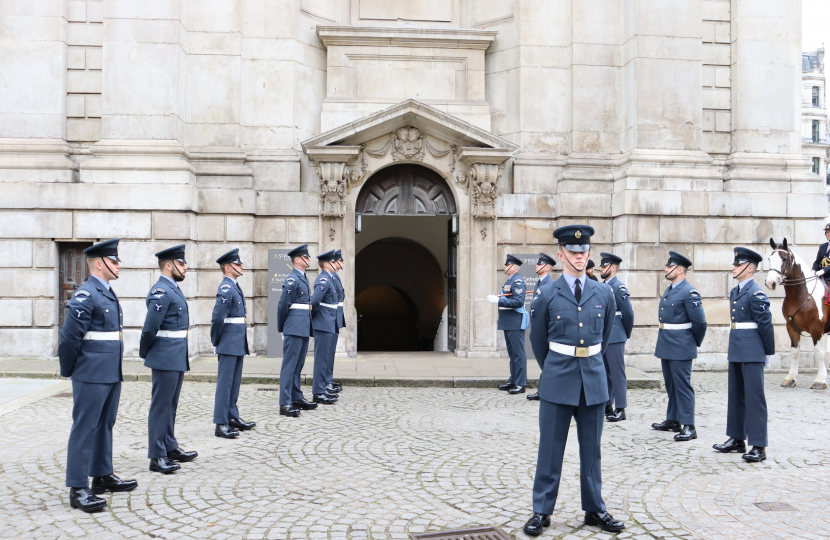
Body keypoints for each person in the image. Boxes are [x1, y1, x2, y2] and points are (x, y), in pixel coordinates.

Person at [524, 225, 624, 535]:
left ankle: (594, 509)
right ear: (561, 254)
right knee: (550, 450)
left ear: (589, 254)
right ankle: (541, 511)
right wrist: (554, 367)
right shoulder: (547, 294)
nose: (579, 257)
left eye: (583, 252)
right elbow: (539, 342)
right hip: (557, 378)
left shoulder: (603, 292)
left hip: (593, 380)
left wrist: (587, 359)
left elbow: (604, 338)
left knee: (591, 451)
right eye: (572, 252)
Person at [59, 239, 137, 513]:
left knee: (105, 423)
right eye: (114, 261)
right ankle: (78, 488)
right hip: (90, 372)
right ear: (100, 263)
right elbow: (69, 339)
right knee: (85, 427)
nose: (118, 265)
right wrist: (71, 371)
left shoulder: (107, 292)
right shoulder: (86, 293)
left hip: (110, 370)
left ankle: (102, 475)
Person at [139, 244, 197, 474]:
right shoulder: (161, 290)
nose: (185, 267)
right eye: (181, 263)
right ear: (168, 265)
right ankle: (156, 455)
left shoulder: (172, 288)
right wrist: (147, 353)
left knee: (170, 405)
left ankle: (170, 446)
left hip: (175, 352)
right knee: (160, 406)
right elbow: (149, 328)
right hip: (164, 354)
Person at [713, 247, 774, 463]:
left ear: (749, 268)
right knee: (735, 395)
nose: (734, 267)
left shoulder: (756, 293)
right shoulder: (736, 291)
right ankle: (737, 438)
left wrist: (768, 353)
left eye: (738, 265)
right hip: (737, 349)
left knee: (754, 398)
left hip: (752, 351)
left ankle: (758, 445)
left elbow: (765, 325)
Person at [651, 251, 707, 442]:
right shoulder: (671, 289)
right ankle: (673, 419)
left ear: (680, 270)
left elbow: (700, 323)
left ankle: (689, 425)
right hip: (667, 342)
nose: (666, 270)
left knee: (682, 386)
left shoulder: (689, 292)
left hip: (681, 345)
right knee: (671, 385)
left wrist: (692, 343)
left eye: (669, 267)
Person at [210, 248, 255, 438]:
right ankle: (221, 423)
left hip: (236, 339)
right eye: (237, 264)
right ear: (228, 267)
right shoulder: (227, 287)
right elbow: (217, 317)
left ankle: (232, 416)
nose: (241, 266)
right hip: (228, 340)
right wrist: (216, 340)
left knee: (234, 382)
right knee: (225, 383)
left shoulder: (234, 285)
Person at [276, 244, 317, 417]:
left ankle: (296, 396)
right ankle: (284, 402)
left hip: (302, 326)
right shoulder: (292, 279)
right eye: (306, 257)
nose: (309, 260)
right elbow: (282, 305)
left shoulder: (303, 278)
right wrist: (282, 328)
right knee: (289, 366)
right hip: (293, 327)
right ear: (298, 260)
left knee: (298, 365)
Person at [599, 252, 634, 422]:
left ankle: (621, 408)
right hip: (604, 335)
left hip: (615, 334)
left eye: (604, 266)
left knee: (617, 373)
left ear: (613, 268)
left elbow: (628, 313)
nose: (601, 269)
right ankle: (607, 404)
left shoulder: (618, 287)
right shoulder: (602, 286)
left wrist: (624, 334)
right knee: (605, 372)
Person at [487, 255, 528, 394]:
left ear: (514, 267)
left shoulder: (517, 281)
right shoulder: (510, 280)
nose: (504, 267)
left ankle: (521, 383)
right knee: (512, 353)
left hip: (515, 322)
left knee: (518, 354)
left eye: (507, 265)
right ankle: (513, 380)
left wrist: (499, 301)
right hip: (509, 322)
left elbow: (518, 301)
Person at [311, 250, 340, 405]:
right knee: (321, 360)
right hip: (323, 323)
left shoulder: (329, 278)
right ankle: (318, 392)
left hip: (328, 322)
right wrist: (316, 320)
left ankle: (322, 390)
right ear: (327, 264)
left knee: (324, 359)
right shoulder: (323, 279)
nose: (336, 264)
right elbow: (314, 302)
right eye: (333, 262)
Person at [527, 253, 556, 401]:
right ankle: (543, 390)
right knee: (543, 360)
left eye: (540, 264)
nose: (537, 266)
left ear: (548, 267)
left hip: (545, 329)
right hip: (538, 327)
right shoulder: (539, 283)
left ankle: (545, 390)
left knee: (546, 360)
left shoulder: (549, 284)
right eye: (537, 264)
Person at [326, 249, 346, 394]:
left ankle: (328, 379)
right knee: (326, 353)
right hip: (329, 317)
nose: (342, 262)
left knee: (330, 352)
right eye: (339, 260)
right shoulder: (329, 277)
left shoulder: (335, 276)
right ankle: (326, 381)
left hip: (335, 316)